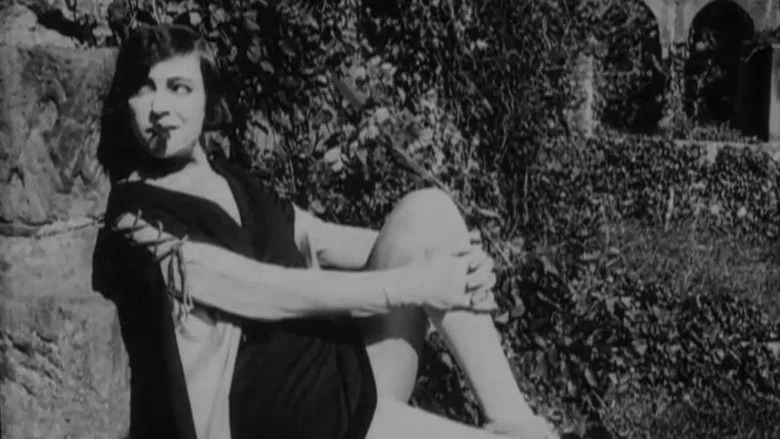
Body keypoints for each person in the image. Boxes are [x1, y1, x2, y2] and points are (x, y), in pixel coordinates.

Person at [91, 23, 558, 439]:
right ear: (126, 103)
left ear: (207, 100)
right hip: (280, 415)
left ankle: (515, 421)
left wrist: (453, 262)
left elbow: (320, 238)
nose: (159, 107)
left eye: (179, 88)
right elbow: (262, 289)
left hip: (337, 373)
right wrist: (416, 284)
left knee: (429, 212)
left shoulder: (232, 180)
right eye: (144, 89)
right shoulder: (134, 215)